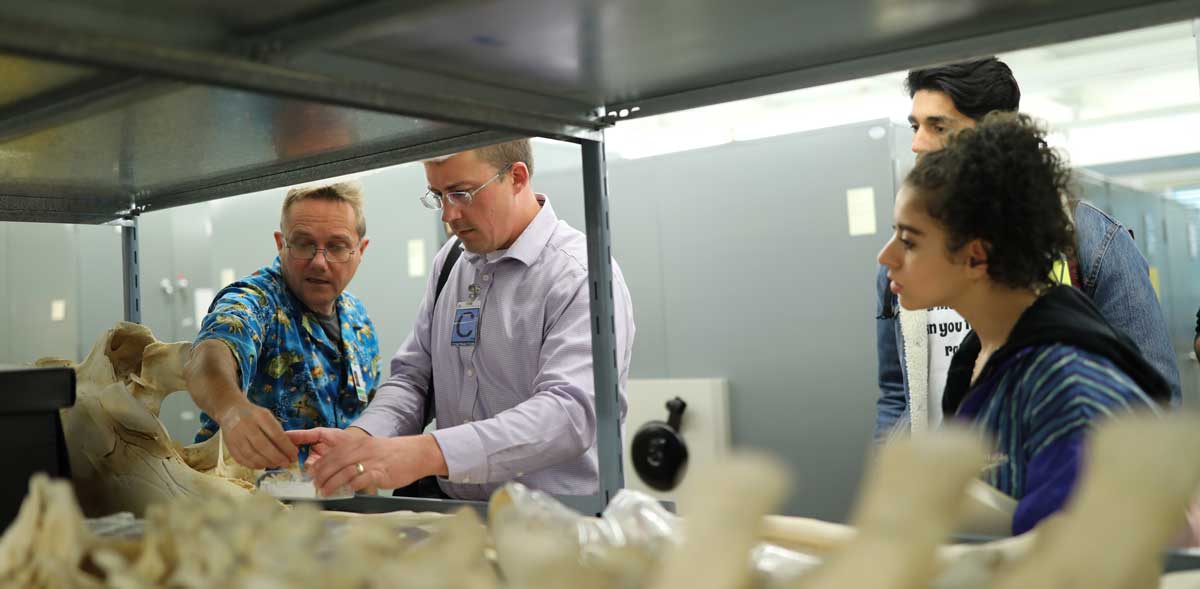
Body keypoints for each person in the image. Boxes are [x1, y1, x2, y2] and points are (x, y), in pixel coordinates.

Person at [288, 139, 636, 500]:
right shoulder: (452, 262)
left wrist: (428, 453)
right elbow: (414, 380)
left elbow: (569, 415)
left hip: (557, 526)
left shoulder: (578, 275)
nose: (448, 216)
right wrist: (362, 440)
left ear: (516, 177)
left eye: (461, 194)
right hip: (458, 516)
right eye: (438, 195)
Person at [877, 112, 1170, 534]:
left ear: (976, 256)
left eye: (908, 240)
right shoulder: (980, 360)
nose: (885, 256)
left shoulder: (1068, 387)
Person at [875, 57, 1179, 440]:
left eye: (939, 126)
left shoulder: (1091, 241)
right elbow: (895, 392)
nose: (918, 143)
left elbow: (1154, 395)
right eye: (915, 126)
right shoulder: (905, 263)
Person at [184, 182, 379, 469]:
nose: (319, 262)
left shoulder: (358, 319)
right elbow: (209, 356)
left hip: (336, 504)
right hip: (246, 504)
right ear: (280, 243)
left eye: (337, 247)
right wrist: (232, 409)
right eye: (303, 244)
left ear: (360, 250)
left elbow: (361, 429)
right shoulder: (256, 301)